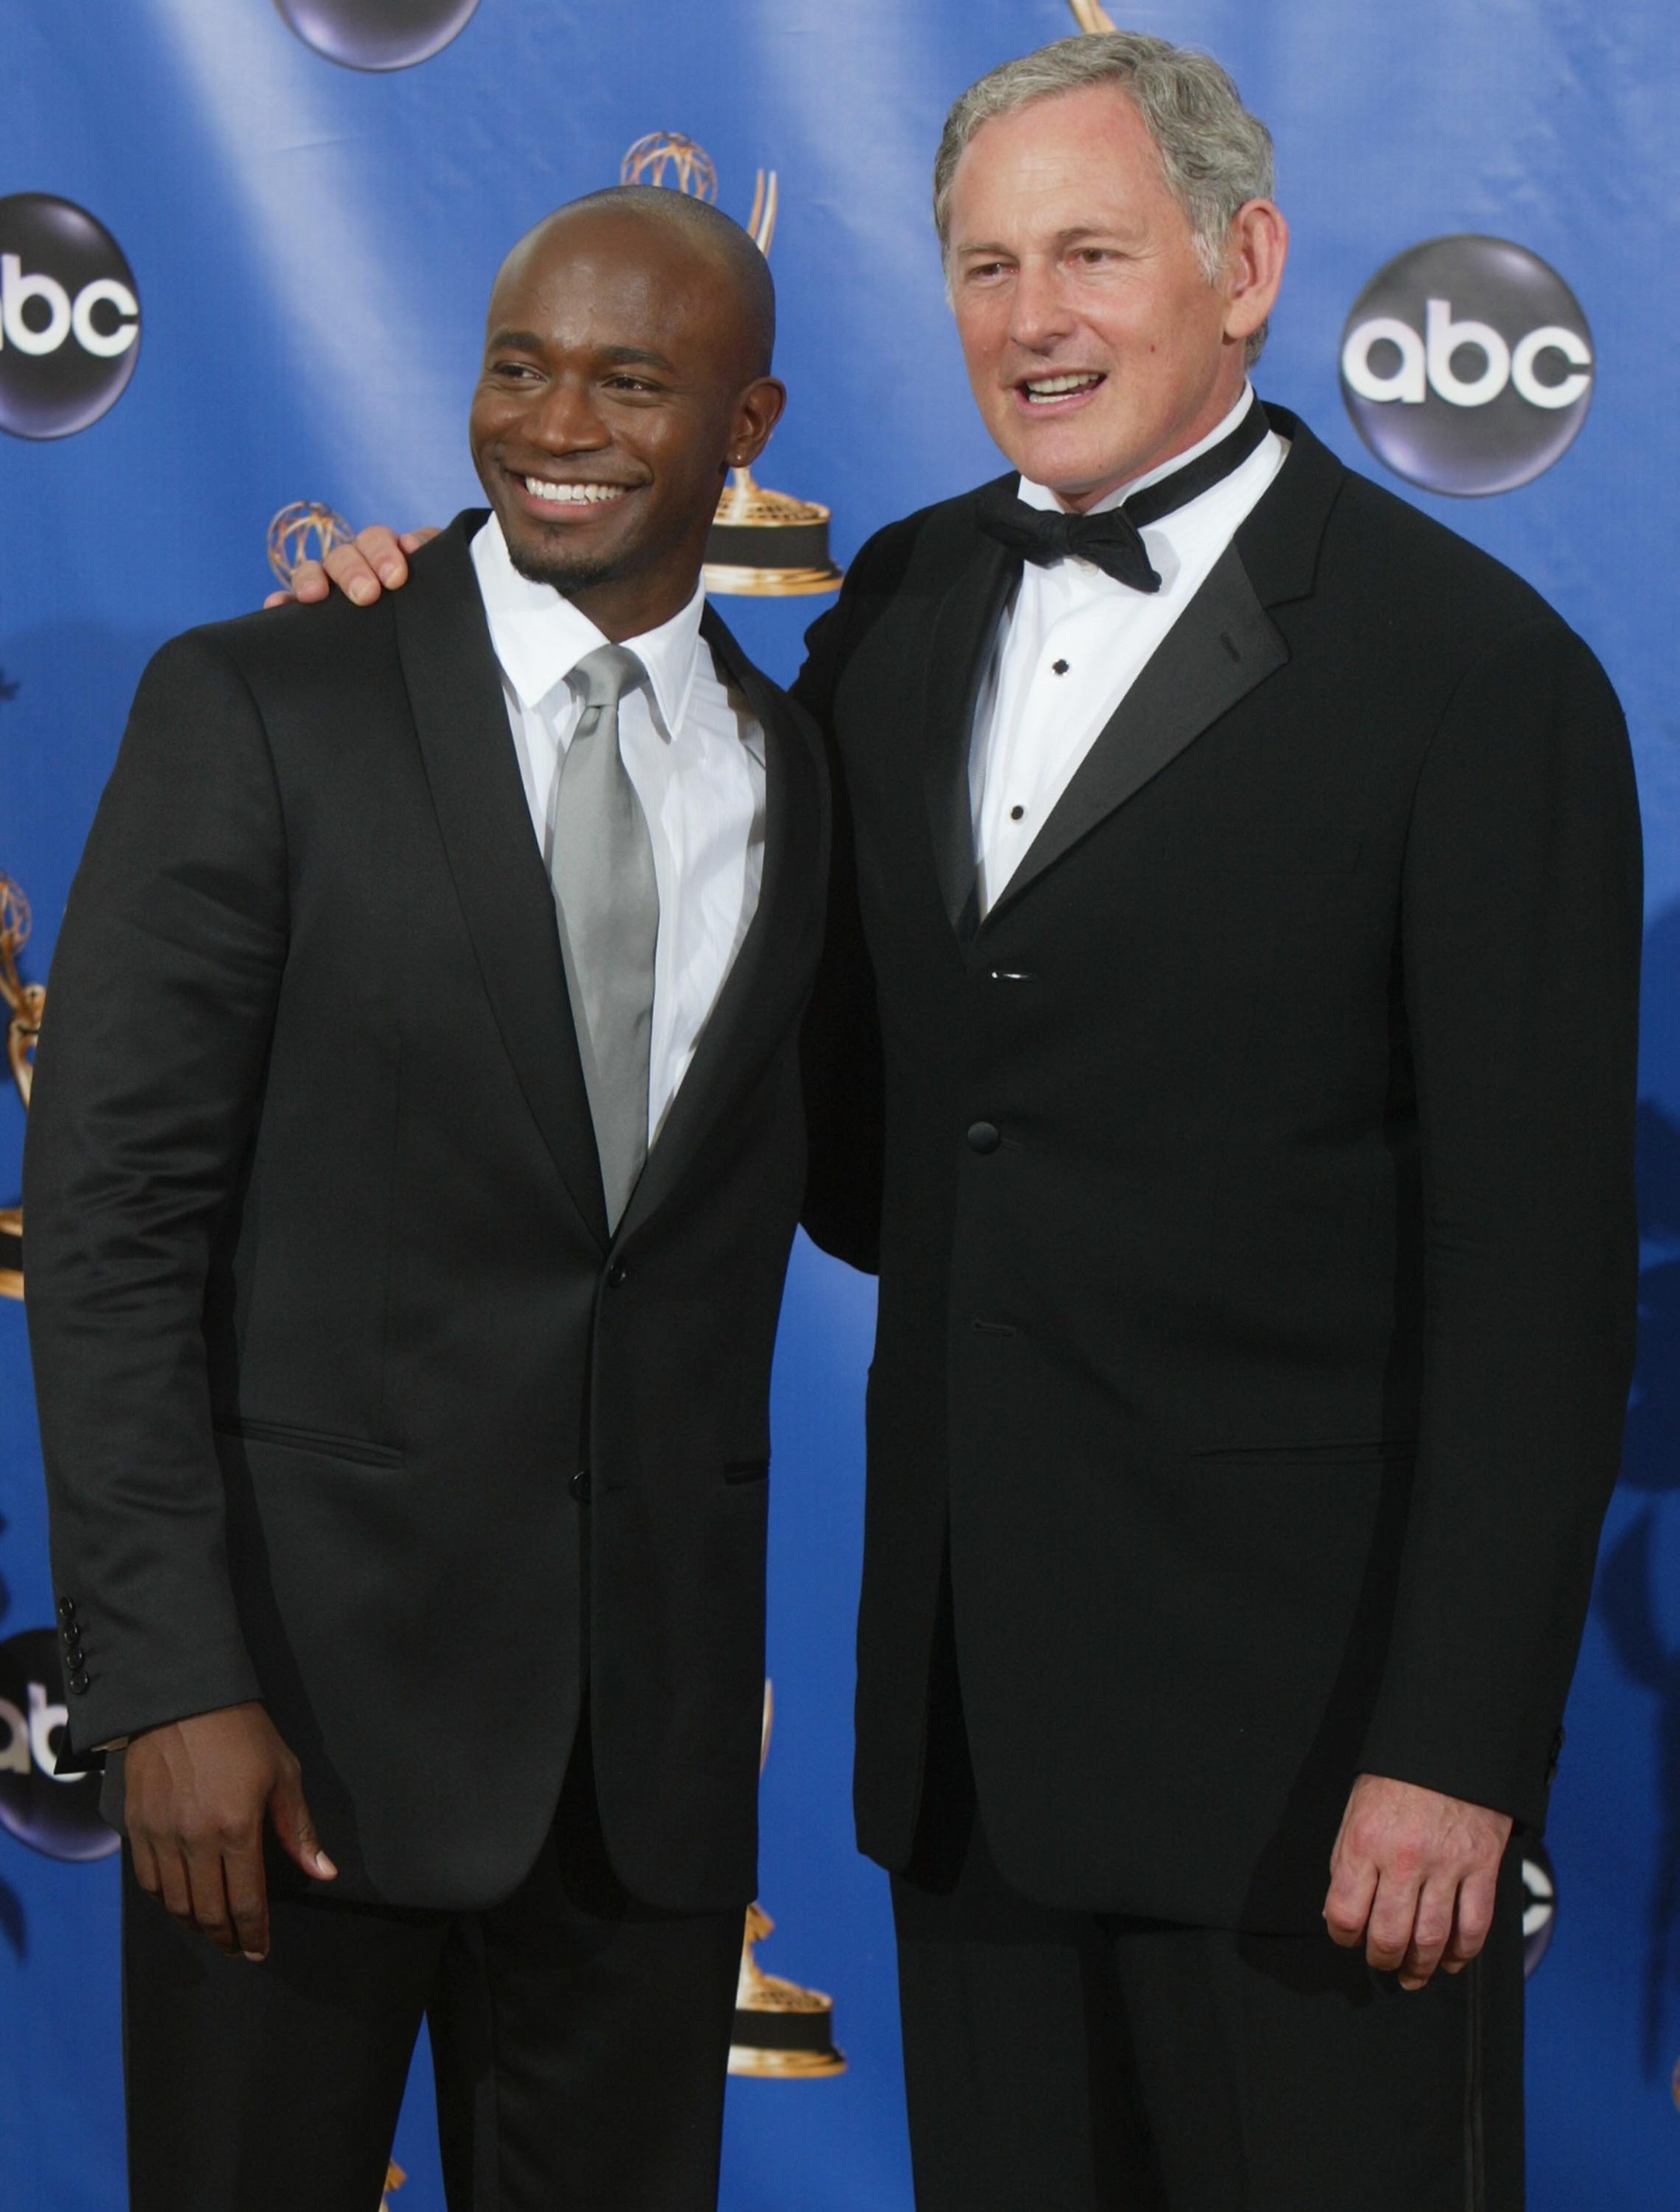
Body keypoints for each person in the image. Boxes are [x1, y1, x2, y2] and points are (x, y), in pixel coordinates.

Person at [300, 31, 1642, 2210]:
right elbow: (759, 1032)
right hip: (969, 1749)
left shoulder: (1477, 683)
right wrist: (398, 640)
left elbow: (1544, 1285)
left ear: (1248, 265)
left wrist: (1454, 1751)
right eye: (987, 266)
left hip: (1314, 1772)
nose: (1035, 321)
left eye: (1093, 254)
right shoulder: (897, 612)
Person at [25, 186, 829, 2212]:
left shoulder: (802, 771)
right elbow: (109, 1227)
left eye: (632, 379)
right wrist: (171, 1681)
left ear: (749, 423)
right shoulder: (268, 705)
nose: (553, 418)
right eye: (516, 364)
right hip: (282, 1742)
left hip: (640, 1791)